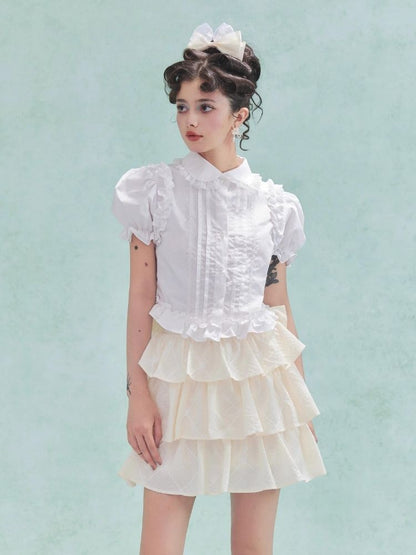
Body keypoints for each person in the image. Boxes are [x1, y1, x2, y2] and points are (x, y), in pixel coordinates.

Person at [111, 22, 327, 555]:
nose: (190, 119)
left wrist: (297, 404)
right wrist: (139, 396)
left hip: (260, 385)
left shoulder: (274, 207)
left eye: (205, 106)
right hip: (178, 382)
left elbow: (277, 306)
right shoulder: (155, 191)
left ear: (239, 115)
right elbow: (141, 298)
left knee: (253, 547)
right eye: (182, 107)